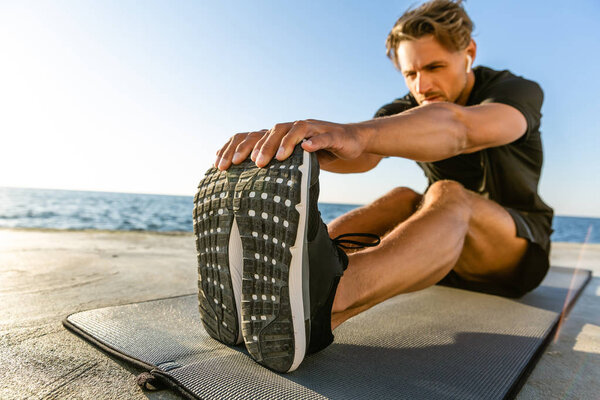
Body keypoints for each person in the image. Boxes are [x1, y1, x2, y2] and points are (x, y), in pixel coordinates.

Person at [196, 0, 553, 373]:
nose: (423, 85)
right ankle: (296, 272)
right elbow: (362, 156)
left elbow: (460, 129)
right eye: (410, 73)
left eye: (434, 67)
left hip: (515, 255)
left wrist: (357, 133)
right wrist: (298, 149)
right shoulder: (407, 106)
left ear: (469, 53)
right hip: (442, 252)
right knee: (403, 197)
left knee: (447, 193)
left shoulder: (516, 92)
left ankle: (323, 303)